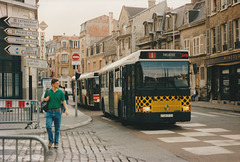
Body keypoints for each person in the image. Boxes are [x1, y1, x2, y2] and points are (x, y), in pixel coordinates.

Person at [43, 78, 69, 149]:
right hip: (49, 112)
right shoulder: (48, 91)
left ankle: (56, 143)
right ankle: (51, 140)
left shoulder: (60, 92)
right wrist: (46, 99)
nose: (58, 84)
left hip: (58, 112)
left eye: (58, 83)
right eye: (57, 83)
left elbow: (63, 101)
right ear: (52, 84)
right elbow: (43, 99)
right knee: (48, 126)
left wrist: (66, 109)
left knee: (57, 129)